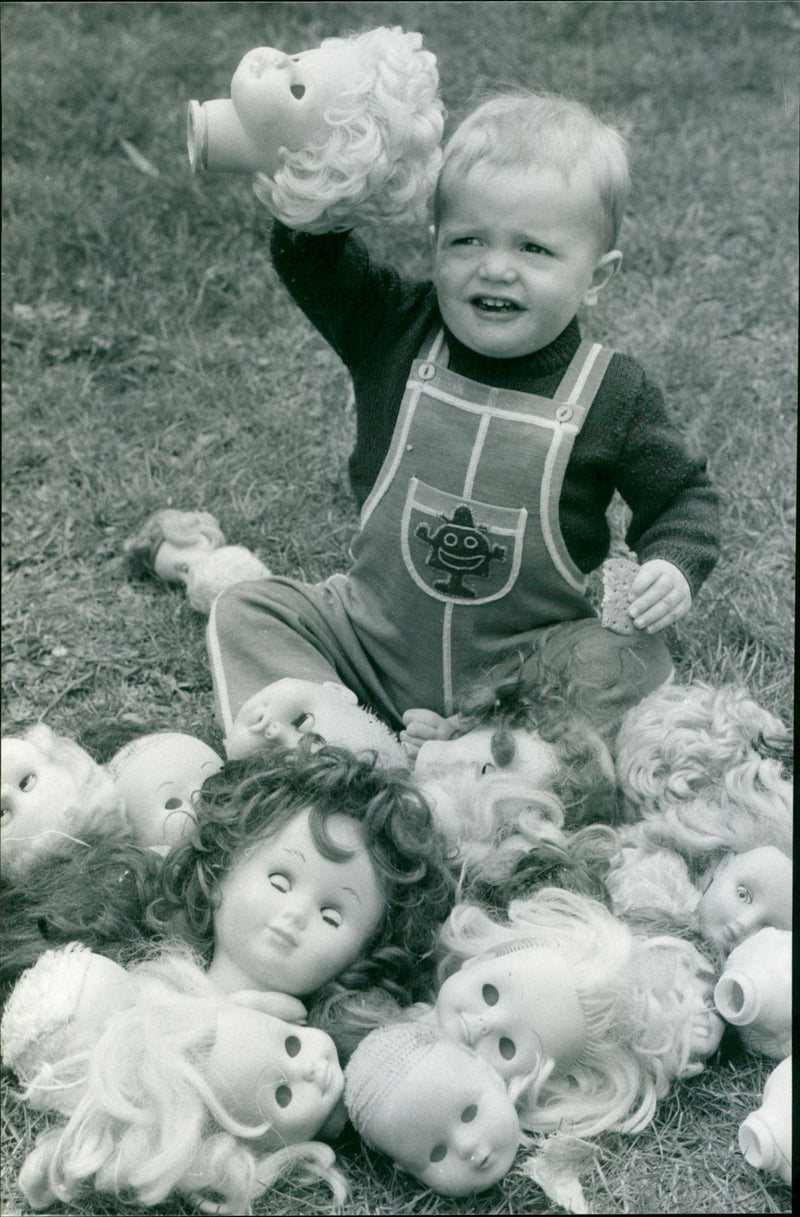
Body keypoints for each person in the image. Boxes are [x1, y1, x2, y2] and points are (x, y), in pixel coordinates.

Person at [207, 89, 719, 749]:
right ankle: (338, 740)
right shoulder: (394, 328)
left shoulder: (612, 393)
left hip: (522, 669)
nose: (496, 266)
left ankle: (478, 741)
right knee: (247, 608)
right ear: (435, 244)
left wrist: (674, 563)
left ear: (597, 275)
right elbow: (313, 261)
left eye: (534, 249)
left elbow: (684, 495)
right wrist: (319, 182)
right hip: (372, 639)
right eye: (468, 239)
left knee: (632, 657)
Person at [1, 942, 349, 1214]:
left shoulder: (216, 1017)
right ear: (260, 1146)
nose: (313, 1069)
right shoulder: (166, 1134)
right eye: (283, 1096)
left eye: (293, 1043)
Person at [153, 741, 455, 1005]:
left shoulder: (313, 1055)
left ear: (362, 957)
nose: (297, 913)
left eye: (331, 916)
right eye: (280, 882)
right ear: (221, 868)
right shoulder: (155, 981)